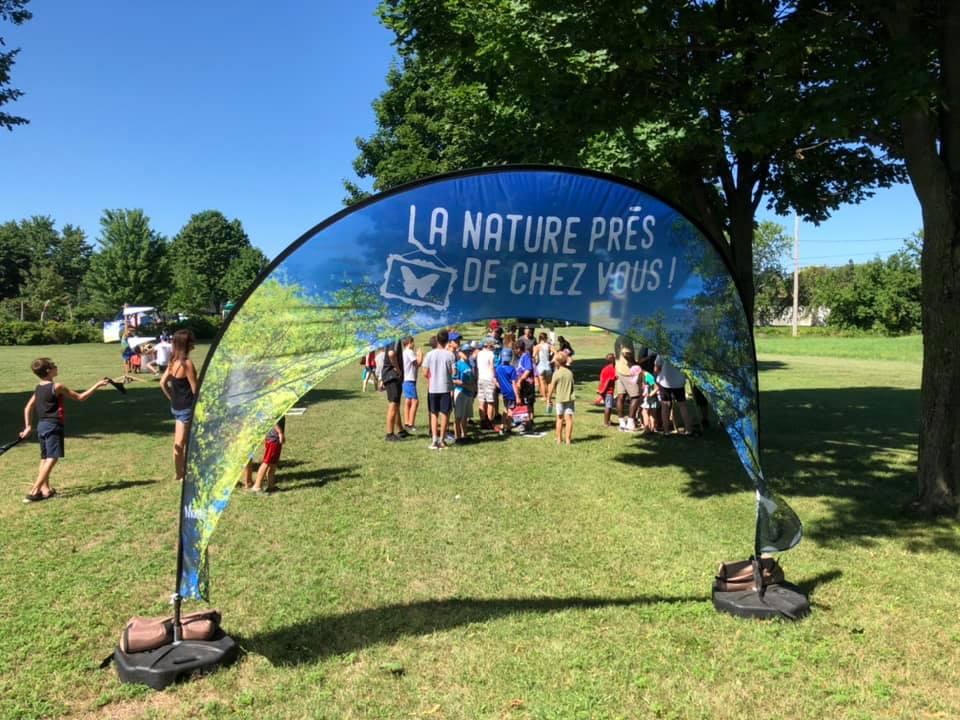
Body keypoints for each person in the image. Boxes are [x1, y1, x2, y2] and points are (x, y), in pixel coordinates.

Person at [18, 358, 109, 502]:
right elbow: (80, 397)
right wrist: (97, 385)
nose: (56, 366)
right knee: (52, 458)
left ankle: (45, 490)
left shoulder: (39, 387)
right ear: (48, 371)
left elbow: (28, 407)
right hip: (53, 425)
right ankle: (34, 490)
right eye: (53, 365)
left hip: (42, 426)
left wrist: (28, 426)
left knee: (45, 458)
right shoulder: (57, 387)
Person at [160, 329, 199, 482]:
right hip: (188, 408)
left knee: (180, 442)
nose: (193, 343)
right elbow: (195, 390)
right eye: (192, 341)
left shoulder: (172, 362)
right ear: (186, 344)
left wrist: (172, 398)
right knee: (183, 443)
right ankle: (181, 474)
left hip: (176, 407)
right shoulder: (187, 363)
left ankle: (179, 473)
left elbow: (162, 383)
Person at [423, 329, 455, 449]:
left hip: (433, 388)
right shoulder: (450, 355)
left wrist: (433, 377)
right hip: (445, 388)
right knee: (444, 414)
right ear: (447, 340)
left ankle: (434, 440)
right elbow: (453, 372)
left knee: (433, 414)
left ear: (437, 339)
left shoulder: (429, 354)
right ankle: (442, 440)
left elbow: (425, 372)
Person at [655, 355, 693, 435]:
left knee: (665, 406)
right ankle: (688, 430)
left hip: (665, 382)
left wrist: (658, 377)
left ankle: (666, 431)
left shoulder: (662, 350)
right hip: (678, 382)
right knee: (682, 405)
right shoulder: (681, 350)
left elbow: (657, 367)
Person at [546, 351, 576, 445]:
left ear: (557, 362)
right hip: (570, 398)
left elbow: (551, 387)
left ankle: (559, 439)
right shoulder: (570, 373)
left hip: (559, 399)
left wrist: (548, 398)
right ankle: (568, 440)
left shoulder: (557, 373)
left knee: (559, 419)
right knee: (569, 419)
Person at [250, 417, 286, 492]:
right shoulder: (275, 407)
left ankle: (271, 486)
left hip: (276, 439)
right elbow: (272, 419)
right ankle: (257, 486)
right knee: (267, 462)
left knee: (273, 463)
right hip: (273, 439)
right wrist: (280, 432)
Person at [382, 340, 406, 442]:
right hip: (392, 376)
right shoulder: (395, 338)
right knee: (393, 404)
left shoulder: (392, 337)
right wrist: (398, 369)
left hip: (391, 376)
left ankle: (400, 430)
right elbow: (391, 354)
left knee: (395, 405)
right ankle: (389, 434)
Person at [452, 343, 476, 443]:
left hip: (468, 393)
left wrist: (473, 387)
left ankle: (464, 435)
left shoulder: (469, 364)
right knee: (458, 416)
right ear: (460, 353)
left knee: (465, 416)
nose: (467, 353)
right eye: (465, 352)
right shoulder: (457, 365)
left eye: (469, 352)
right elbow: (454, 380)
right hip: (461, 392)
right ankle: (457, 437)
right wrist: (466, 385)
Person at [494, 347, 519, 433]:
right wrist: (518, 396)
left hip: (504, 392)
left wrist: (501, 387)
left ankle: (502, 425)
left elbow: (495, 380)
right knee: (511, 410)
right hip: (511, 392)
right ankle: (508, 428)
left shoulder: (498, 368)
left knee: (505, 409)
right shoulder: (512, 369)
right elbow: (514, 384)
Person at [476, 336, 498, 430]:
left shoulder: (479, 353)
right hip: (489, 378)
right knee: (490, 402)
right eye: (492, 344)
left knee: (482, 401)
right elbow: (492, 367)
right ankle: (490, 421)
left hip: (480, 378)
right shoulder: (491, 354)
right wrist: (494, 378)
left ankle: (482, 421)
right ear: (489, 345)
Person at [401, 336, 422, 432]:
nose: (414, 344)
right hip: (409, 380)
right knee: (415, 401)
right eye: (413, 342)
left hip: (406, 380)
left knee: (408, 401)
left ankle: (407, 422)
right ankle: (410, 424)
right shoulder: (409, 352)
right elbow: (417, 364)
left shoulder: (404, 352)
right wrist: (420, 355)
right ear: (409, 342)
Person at [515, 344, 537, 431]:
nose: (515, 351)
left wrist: (520, 380)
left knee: (528, 403)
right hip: (523, 384)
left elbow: (528, 370)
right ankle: (525, 422)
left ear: (519, 349)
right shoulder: (521, 357)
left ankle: (529, 422)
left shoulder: (526, 356)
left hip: (527, 384)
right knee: (523, 403)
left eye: (515, 349)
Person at [534, 332, 553, 409]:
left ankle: (544, 396)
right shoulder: (549, 346)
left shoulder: (537, 346)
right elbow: (555, 352)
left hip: (541, 365)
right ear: (545, 338)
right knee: (549, 382)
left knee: (542, 382)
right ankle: (549, 396)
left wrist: (535, 362)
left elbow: (534, 355)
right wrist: (551, 360)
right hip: (547, 365)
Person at [597, 353, 617, 427]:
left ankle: (608, 420)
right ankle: (606, 423)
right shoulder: (611, 369)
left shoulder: (605, 368)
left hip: (604, 390)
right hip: (608, 390)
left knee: (609, 405)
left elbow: (602, 379)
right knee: (608, 406)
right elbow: (610, 379)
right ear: (613, 360)